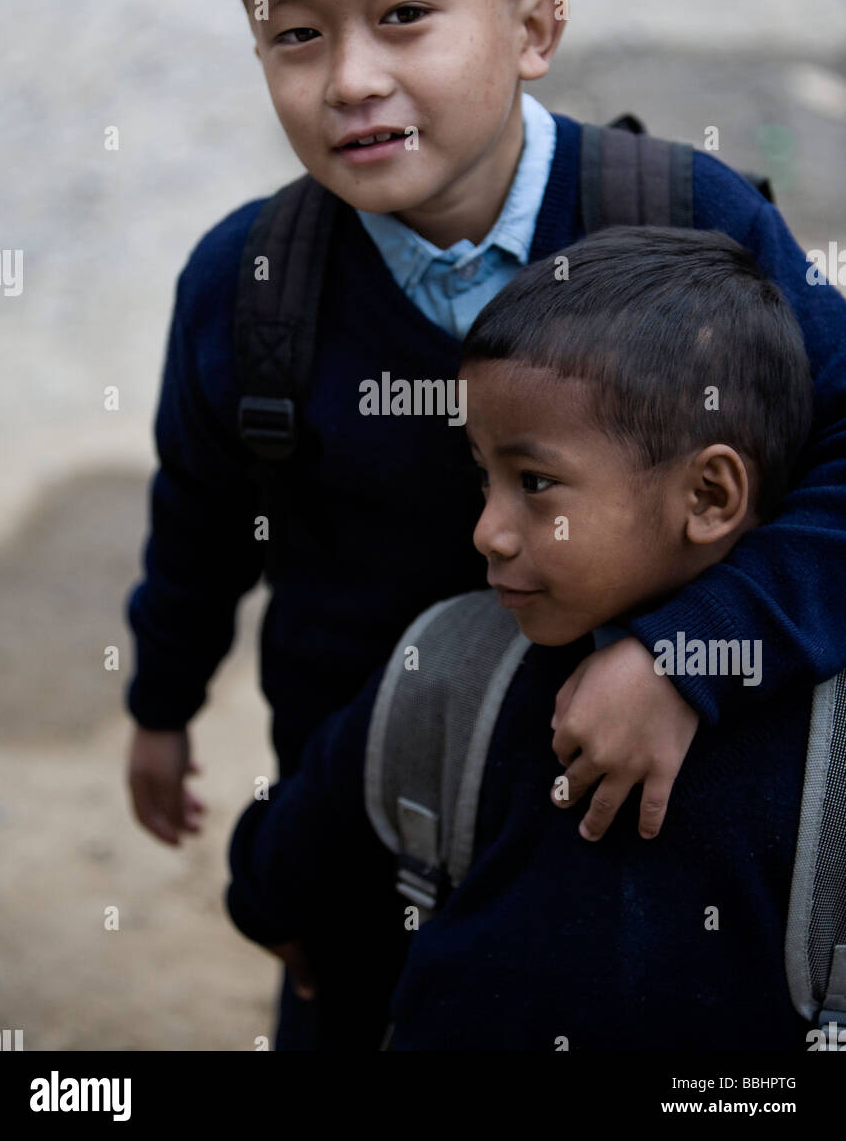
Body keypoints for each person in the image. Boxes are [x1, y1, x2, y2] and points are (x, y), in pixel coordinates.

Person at [124, 0, 846, 1048]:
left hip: (637, 811)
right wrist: (161, 705)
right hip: (367, 814)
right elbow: (195, 519)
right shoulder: (251, 292)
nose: (346, 77)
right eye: (294, 33)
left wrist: (690, 655)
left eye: (402, 14)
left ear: (532, 27)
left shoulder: (686, 224)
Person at [226, 225, 820, 1051]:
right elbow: (288, 866)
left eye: (535, 483)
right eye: (484, 476)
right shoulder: (461, 670)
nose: (487, 532)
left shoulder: (455, 665)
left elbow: (273, 884)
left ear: (711, 496)